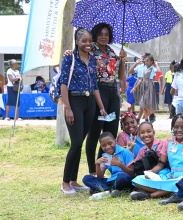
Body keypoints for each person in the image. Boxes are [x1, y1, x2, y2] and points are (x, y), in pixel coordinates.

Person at [59, 28, 106, 194]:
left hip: (90, 103)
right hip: (74, 101)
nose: (88, 43)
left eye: (89, 40)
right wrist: (67, 107)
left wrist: (101, 107)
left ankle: (73, 180)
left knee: (80, 142)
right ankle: (65, 182)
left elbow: (94, 86)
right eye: (84, 41)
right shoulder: (69, 58)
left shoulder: (92, 60)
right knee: (76, 142)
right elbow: (63, 84)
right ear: (77, 41)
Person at [129, 113, 183, 200]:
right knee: (138, 180)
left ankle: (150, 195)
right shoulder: (167, 142)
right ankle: (173, 192)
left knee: (182, 182)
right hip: (172, 177)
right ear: (172, 127)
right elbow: (161, 163)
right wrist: (151, 172)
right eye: (176, 127)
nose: (179, 130)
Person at [84, 23, 127, 176]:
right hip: (98, 93)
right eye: (101, 34)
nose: (104, 37)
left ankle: (102, 168)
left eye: (107, 34)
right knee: (95, 132)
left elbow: (120, 76)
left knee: (110, 133)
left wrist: (122, 61)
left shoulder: (111, 51)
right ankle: (92, 170)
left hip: (113, 94)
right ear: (95, 35)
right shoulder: (90, 51)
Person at [82, 132, 135, 197]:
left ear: (115, 141)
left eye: (110, 143)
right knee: (86, 178)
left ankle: (101, 189)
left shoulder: (125, 152)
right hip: (111, 181)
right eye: (103, 145)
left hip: (124, 179)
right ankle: (110, 190)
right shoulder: (105, 156)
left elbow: (132, 174)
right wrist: (97, 165)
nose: (107, 147)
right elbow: (100, 176)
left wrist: (120, 164)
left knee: (122, 176)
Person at [131, 55, 161, 123]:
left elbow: (159, 71)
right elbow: (141, 79)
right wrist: (135, 88)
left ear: (151, 62)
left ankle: (151, 115)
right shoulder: (145, 69)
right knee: (143, 104)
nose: (146, 62)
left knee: (144, 103)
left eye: (147, 61)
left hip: (149, 86)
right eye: (145, 61)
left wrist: (156, 65)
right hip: (143, 86)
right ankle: (149, 117)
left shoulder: (152, 68)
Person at [128, 53, 151, 124]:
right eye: (142, 58)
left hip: (146, 84)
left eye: (144, 58)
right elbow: (130, 71)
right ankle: (144, 118)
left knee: (143, 102)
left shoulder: (150, 67)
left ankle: (140, 118)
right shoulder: (140, 66)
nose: (143, 59)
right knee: (140, 102)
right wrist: (136, 63)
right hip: (138, 83)